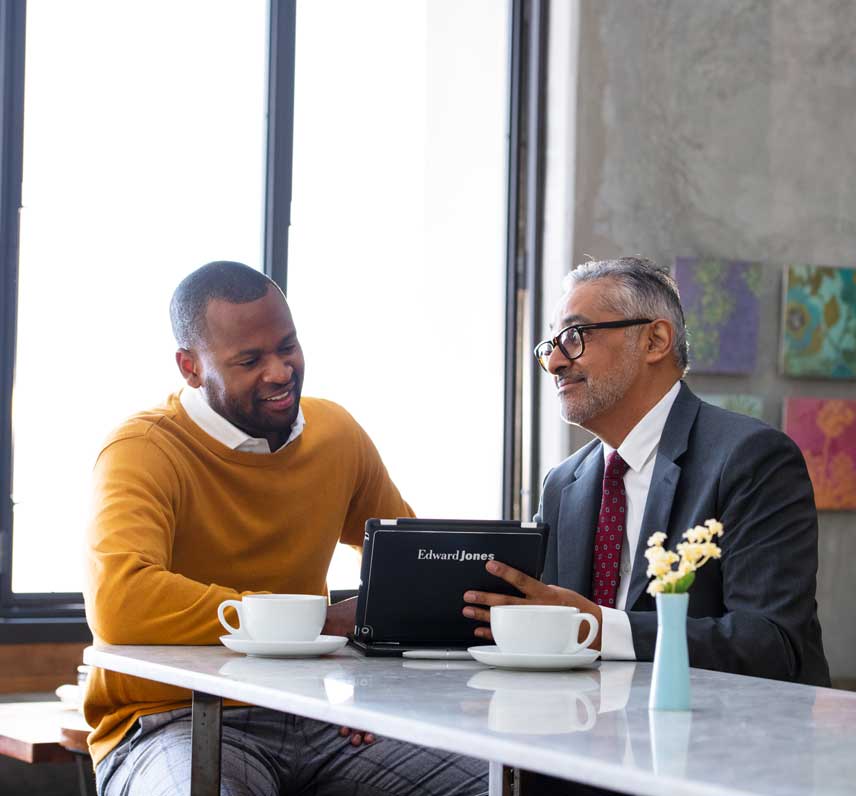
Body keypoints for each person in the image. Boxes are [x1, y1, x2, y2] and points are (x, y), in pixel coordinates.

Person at [84, 261, 487, 796]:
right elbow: (122, 602)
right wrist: (315, 621)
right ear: (190, 366)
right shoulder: (141, 451)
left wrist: (372, 684)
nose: (279, 372)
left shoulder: (337, 434)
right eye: (250, 360)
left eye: (288, 347)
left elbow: (414, 568)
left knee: (503, 781)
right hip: (169, 719)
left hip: (315, 715)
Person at [463, 256, 830, 687]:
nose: (556, 362)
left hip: (721, 739)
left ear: (655, 341)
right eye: (550, 346)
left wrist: (599, 627)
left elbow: (770, 643)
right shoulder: (563, 484)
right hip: (576, 732)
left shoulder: (752, 458)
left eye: (575, 336)